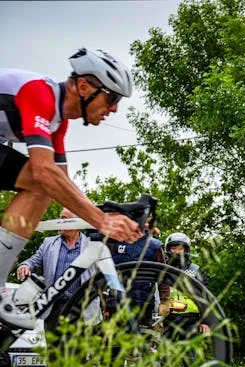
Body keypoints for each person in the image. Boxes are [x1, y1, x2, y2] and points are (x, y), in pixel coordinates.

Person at [0, 48, 141, 329]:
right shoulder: (39, 93)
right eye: (111, 97)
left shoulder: (58, 122)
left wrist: (104, 212)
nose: (113, 108)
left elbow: (61, 182)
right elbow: (43, 171)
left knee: (44, 186)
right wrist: (100, 220)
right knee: (41, 179)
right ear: (85, 86)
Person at [16, 208, 100, 328]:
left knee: (79, 347)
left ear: (77, 223)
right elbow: (33, 261)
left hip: (81, 309)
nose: (58, 221)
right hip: (53, 308)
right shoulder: (48, 243)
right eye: (59, 218)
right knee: (53, 346)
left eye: (63, 219)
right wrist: (25, 265)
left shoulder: (94, 246)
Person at [161, 232, 211, 367]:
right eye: (173, 247)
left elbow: (207, 297)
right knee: (159, 359)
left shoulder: (196, 270)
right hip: (166, 320)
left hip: (191, 321)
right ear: (167, 250)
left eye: (180, 248)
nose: (177, 251)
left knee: (190, 361)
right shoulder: (161, 268)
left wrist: (206, 321)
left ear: (187, 249)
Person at [107, 219, 169, 330]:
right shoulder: (114, 242)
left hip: (143, 305)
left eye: (147, 222)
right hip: (116, 303)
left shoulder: (155, 246)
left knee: (141, 343)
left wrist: (164, 302)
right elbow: (103, 272)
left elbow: (163, 276)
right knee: (115, 343)